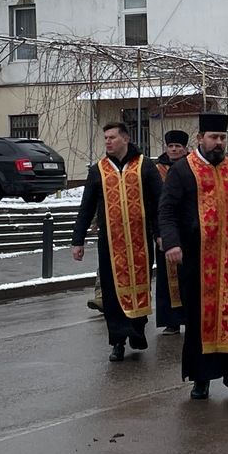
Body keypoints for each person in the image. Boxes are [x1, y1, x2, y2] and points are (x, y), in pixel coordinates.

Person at [159, 112, 228, 400]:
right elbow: (166, 210)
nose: (218, 143)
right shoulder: (183, 170)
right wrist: (171, 243)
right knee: (199, 319)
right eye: (213, 138)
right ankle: (201, 379)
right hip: (196, 258)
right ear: (200, 139)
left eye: (222, 138)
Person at [73, 123, 162, 362]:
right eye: (105, 138)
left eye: (112, 137)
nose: (108, 142)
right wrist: (77, 239)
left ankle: (137, 330)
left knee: (141, 287)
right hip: (111, 244)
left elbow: (159, 202)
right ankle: (118, 341)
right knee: (112, 293)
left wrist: (161, 233)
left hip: (140, 241)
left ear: (125, 138)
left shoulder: (144, 166)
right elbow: (87, 207)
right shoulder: (99, 171)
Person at [150, 129, 190, 333]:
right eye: (171, 146)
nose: (174, 149)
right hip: (166, 229)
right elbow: (154, 204)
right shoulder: (157, 170)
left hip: (189, 229)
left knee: (189, 275)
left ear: (185, 149)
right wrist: (158, 233)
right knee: (168, 278)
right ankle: (172, 320)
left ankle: (191, 316)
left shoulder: (192, 167)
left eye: (178, 147)